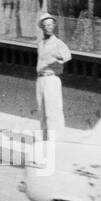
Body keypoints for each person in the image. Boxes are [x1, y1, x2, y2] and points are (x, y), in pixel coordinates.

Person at [35, 12, 72, 140]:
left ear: (54, 26)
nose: (48, 27)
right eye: (45, 25)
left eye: (50, 24)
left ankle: (56, 139)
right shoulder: (40, 43)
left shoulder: (57, 42)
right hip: (40, 79)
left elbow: (67, 55)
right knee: (42, 111)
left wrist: (56, 60)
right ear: (42, 27)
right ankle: (45, 139)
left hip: (51, 78)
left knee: (53, 111)